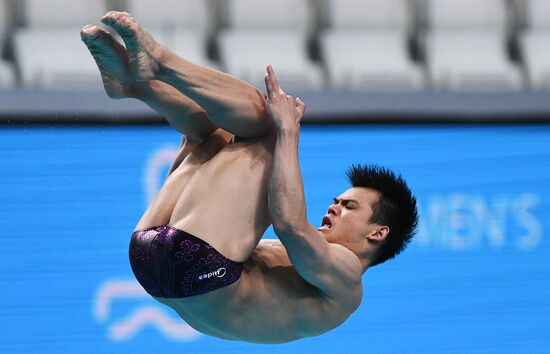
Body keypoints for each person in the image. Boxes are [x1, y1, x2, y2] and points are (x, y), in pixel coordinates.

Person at [81, 11, 418, 344]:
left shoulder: (347, 278)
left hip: (192, 267)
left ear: (378, 232)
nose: (333, 207)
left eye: (349, 206)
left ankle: (158, 64)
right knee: (213, 136)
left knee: (267, 123)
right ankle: (133, 85)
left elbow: (290, 223)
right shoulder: (296, 262)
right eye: (336, 201)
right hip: (156, 263)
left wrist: (288, 130)